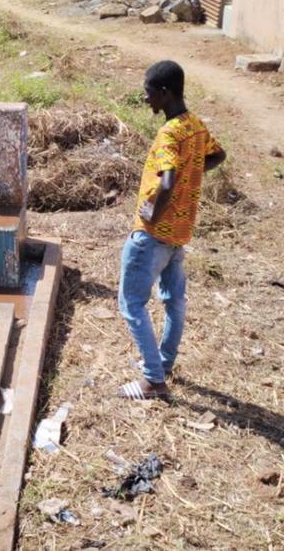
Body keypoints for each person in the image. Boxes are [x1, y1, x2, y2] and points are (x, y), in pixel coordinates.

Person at [118, 60, 226, 400]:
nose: (146, 99)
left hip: (154, 234)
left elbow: (166, 178)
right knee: (173, 300)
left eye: (149, 93)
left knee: (131, 303)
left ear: (164, 93)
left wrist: (151, 213)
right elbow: (217, 155)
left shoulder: (169, 133)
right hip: (180, 233)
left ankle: (153, 380)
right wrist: (190, 174)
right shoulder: (194, 126)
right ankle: (163, 362)